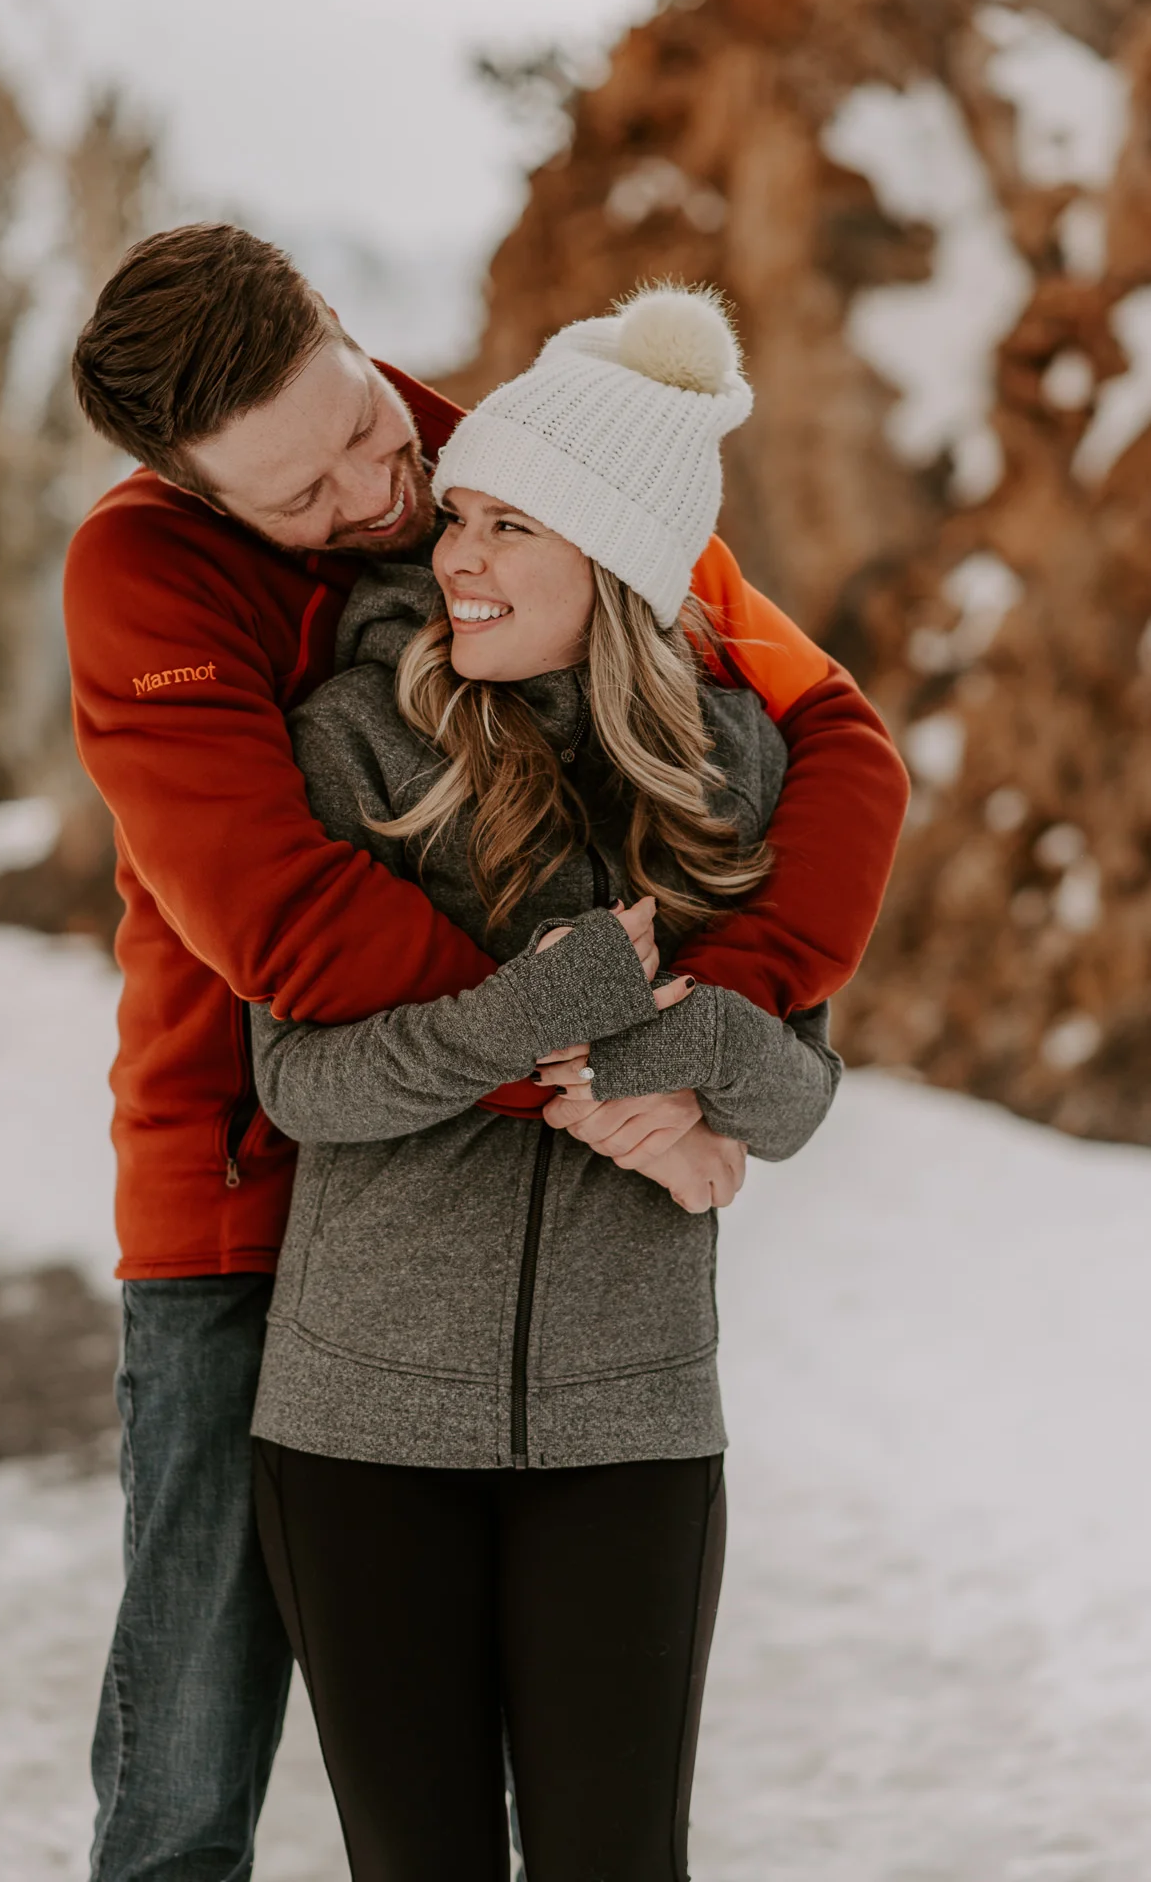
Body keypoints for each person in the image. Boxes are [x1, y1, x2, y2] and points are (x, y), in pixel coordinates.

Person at [64, 226, 909, 1881]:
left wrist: (705, 1045)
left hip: (543, 1251)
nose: (376, 499)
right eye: (298, 499)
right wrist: (595, 1071)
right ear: (201, 496)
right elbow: (296, 937)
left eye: (364, 429)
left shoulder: (516, 469)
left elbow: (837, 740)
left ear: (350, 340)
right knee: (193, 1738)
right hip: (238, 1187)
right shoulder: (145, 576)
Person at [244, 285, 847, 1880]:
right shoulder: (358, 744)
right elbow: (304, 1084)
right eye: (458, 516)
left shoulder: (738, 770)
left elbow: (795, 1101)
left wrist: (687, 1053)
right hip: (360, 1429)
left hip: (631, 1431)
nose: (454, 558)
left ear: (620, 560)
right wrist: (537, 1010)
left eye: (510, 526)